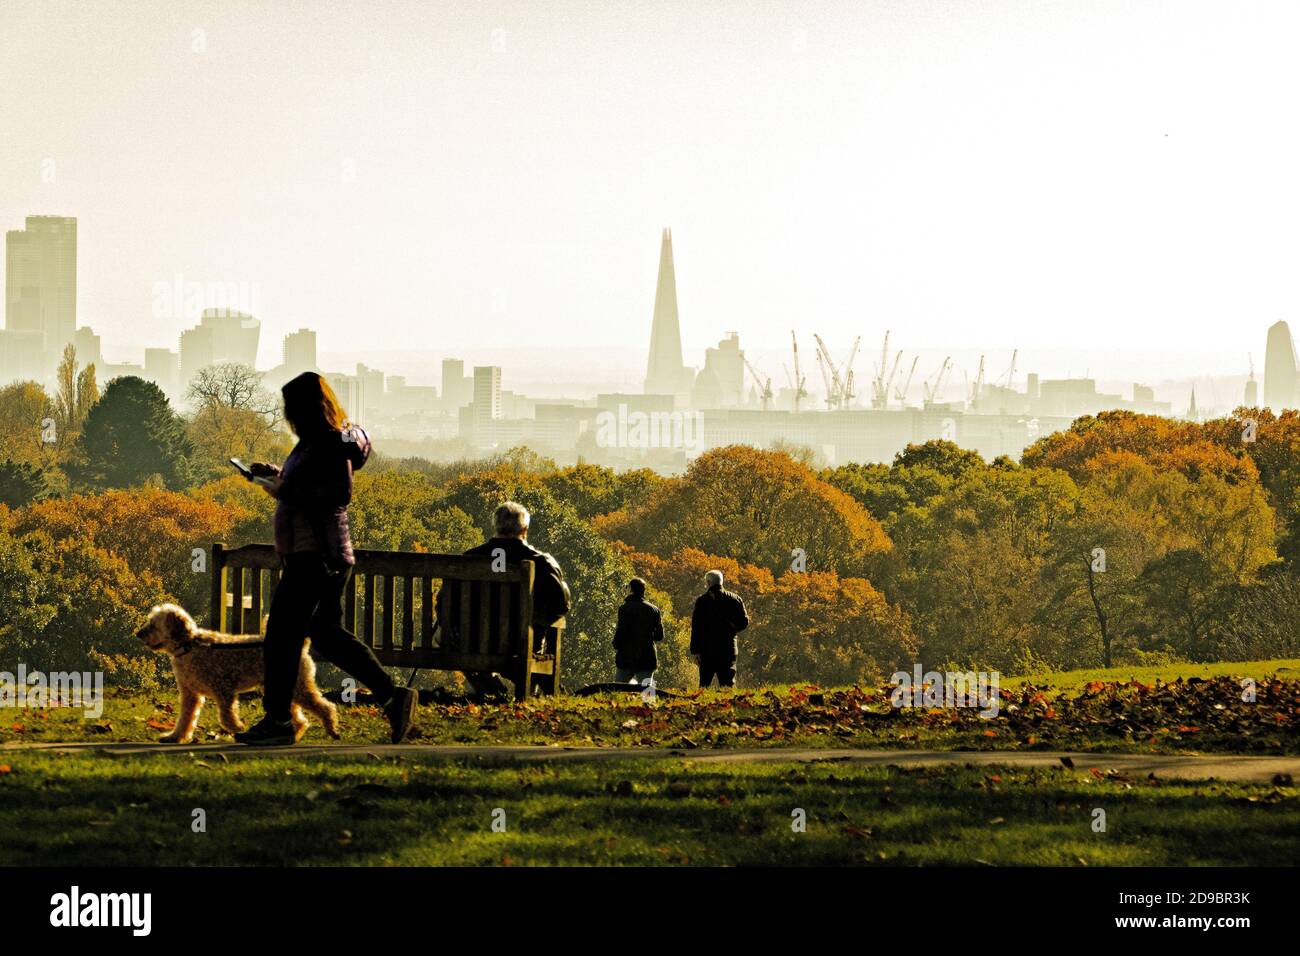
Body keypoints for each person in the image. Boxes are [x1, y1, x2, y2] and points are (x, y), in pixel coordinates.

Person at [234, 372, 418, 746]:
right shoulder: (312, 444)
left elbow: (335, 494)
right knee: (326, 635)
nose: (287, 414)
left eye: (290, 407)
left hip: (317, 556)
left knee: (282, 636)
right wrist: (274, 474)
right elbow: (305, 483)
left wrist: (284, 489)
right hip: (313, 555)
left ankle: (278, 721)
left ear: (305, 408)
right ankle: (393, 697)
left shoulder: (331, 445)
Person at [458, 501, 570, 695]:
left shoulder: (469, 558)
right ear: (524, 530)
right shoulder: (540, 561)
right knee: (546, 630)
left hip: (472, 643)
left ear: (496, 526)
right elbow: (561, 605)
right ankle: (533, 683)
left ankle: (490, 686)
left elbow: (444, 604)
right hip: (519, 645)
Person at [690, 569, 749, 689]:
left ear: (708, 582)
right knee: (727, 684)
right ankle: (729, 706)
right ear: (721, 582)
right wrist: (731, 629)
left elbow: (696, 627)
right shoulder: (735, 599)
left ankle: (701, 706)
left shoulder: (702, 601)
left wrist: (695, 650)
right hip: (728, 647)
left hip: (707, 649)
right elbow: (744, 621)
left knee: (704, 684)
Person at [613, 577, 663, 685]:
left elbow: (621, 631)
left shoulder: (624, 608)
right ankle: (649, 702)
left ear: (630, 590)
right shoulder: (654, 609)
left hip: (626, 656)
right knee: (647, 691)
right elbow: (659, 635)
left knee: (618, 689)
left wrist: (616, 644)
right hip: (647, 656)